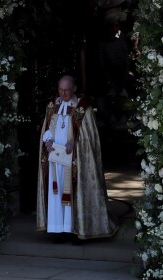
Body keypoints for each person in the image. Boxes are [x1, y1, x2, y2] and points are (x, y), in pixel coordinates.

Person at [36, 74, 117, 242]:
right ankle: (60, 230)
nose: (63, 93)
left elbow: (88, 136)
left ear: (74, 88)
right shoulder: (53, 105)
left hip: (76, 160)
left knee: (75, 194)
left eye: (66, 90)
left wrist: (75, 143)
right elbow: (47, 126)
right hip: (55, 160)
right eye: (60, 90)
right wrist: (48, 140)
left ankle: (77, 230)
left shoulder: (83, 107)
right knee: (56, 194)